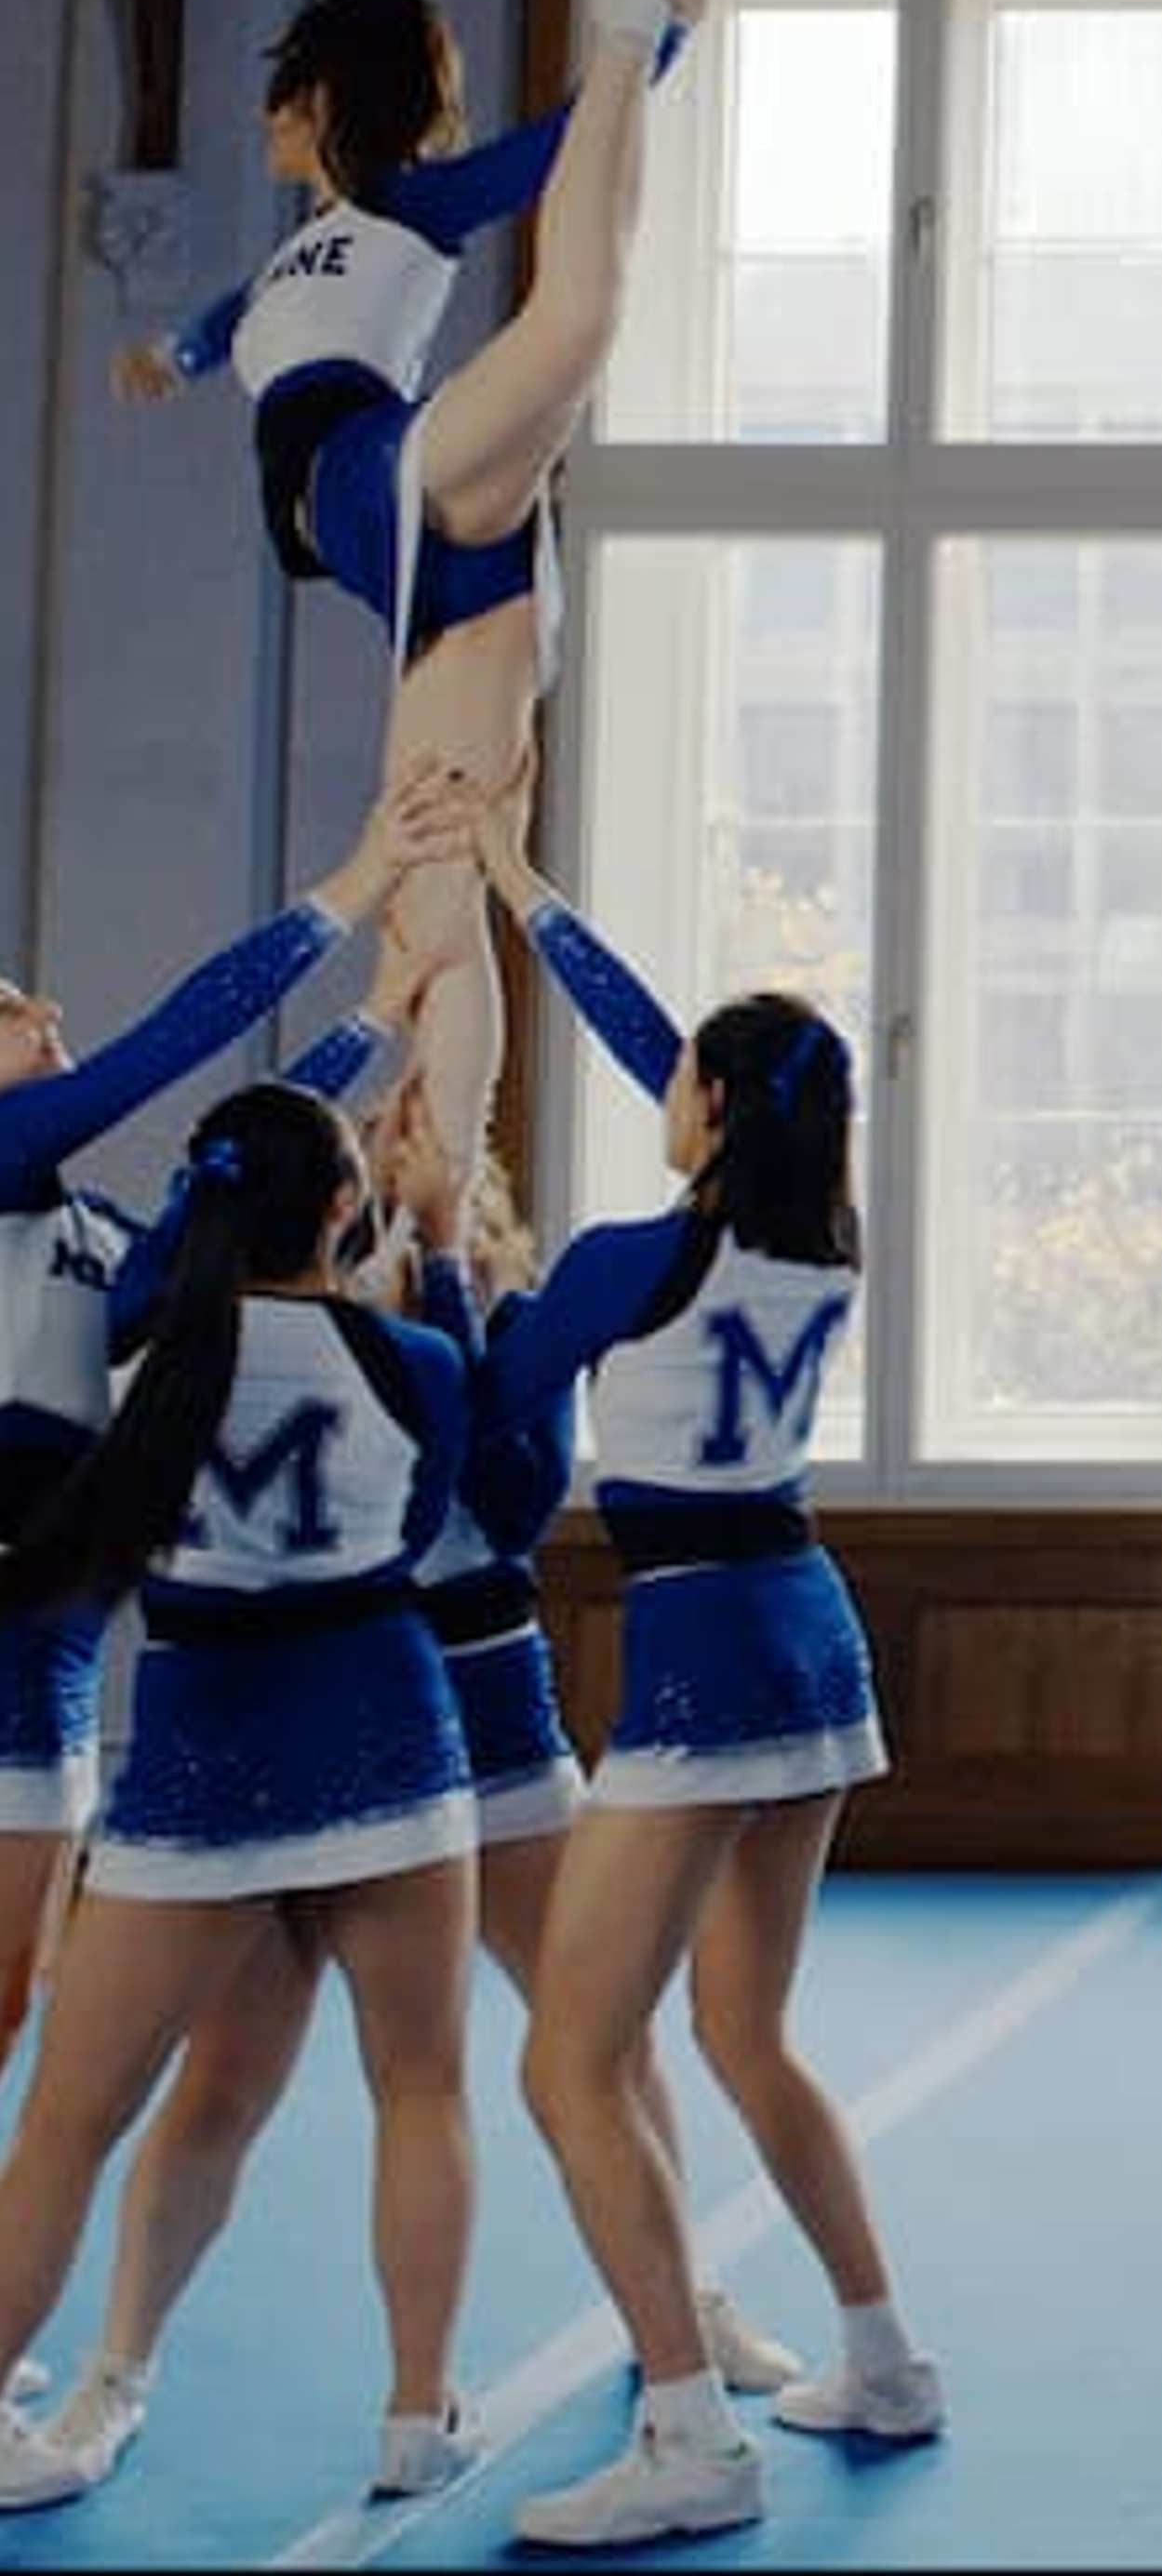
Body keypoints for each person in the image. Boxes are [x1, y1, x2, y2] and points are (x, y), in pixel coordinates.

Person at [39, 1064, 797, 2503]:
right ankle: (113, 2371)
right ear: (332, 1203)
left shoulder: (466, 1325)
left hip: (482, 1726)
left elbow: (509, 1512)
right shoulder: (248, 1318)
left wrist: (439, 1260)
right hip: (339, 1714)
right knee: (228, 2081)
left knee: (601, 2039)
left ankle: (679, 2304)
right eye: (365, 1179)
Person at [451, 847, 929, 2550]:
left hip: (705, 1652)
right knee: (745, 2033)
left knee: (572, 2066)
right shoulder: (825, 1242)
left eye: (685, 1082)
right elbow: (695, 1056)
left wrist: (440, 1289)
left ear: (714, 1106)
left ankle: (684, 2432)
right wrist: (525, 891)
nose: (663, 1088)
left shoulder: (612, 1264)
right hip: (813, 1636)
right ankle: (883, 2355)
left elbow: (489, 1425)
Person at [114, 0, 712, 1169]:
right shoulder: (284, 263)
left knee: (572, 328)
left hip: (370, 468)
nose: (265, 127)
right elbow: (231, 321)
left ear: (318, 100)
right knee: (437, 882)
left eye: (280, 102)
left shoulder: (406, 203)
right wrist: (176, 356)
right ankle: (453, 1192)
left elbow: (548, 157)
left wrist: (648, 53)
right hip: (410, 543)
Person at [0, 1073, 481, 2513]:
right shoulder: (416, 1363)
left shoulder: (140, 1342)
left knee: (73, 2123)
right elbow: (448, 1515)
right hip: (385, 1744)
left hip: (204, 1764)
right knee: (419, 2088)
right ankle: (416, 2414)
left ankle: (97, 2372)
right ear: (347, 1208)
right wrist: (441, 1243)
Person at [0, 774, 462, 2118]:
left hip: (60, 1636)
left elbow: (238, 1167)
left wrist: (376, 1021)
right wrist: (355, 883)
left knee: (16, 1992)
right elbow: (169, 1047)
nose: (53, 1019)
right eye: (21, 1015)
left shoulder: (82, 1231)